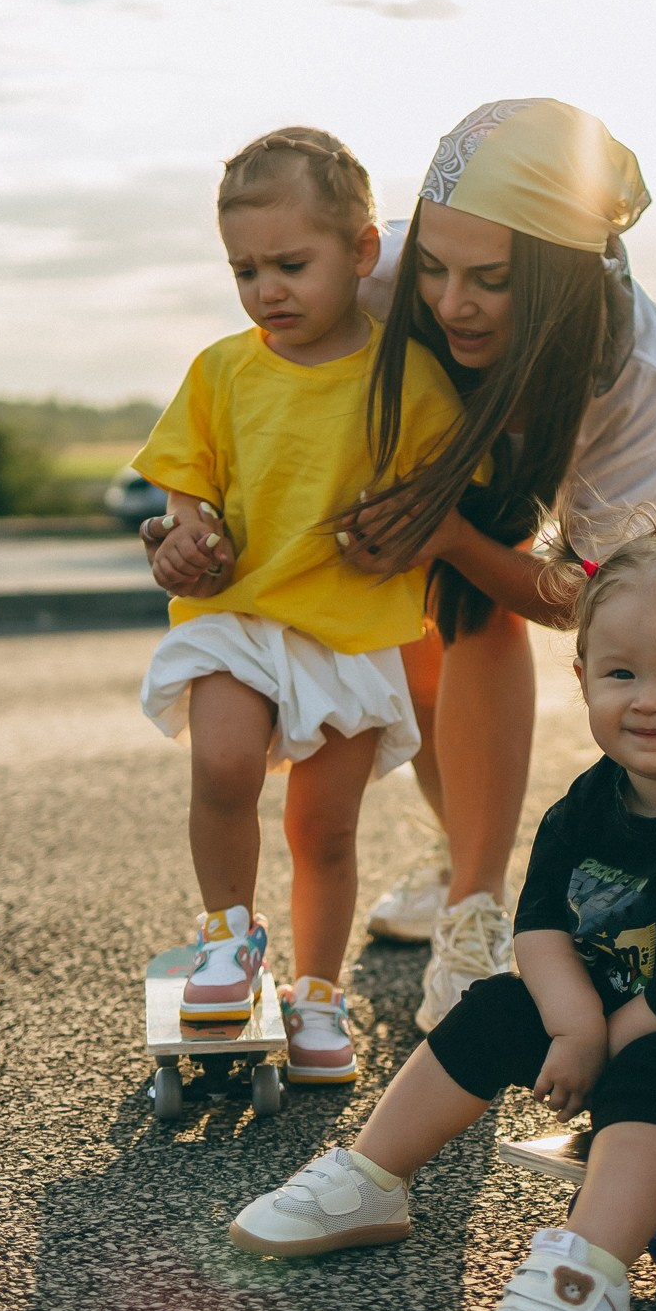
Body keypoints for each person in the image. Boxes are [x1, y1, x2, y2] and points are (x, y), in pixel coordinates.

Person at [225, 523, 656, 1311]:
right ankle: (373, 1178)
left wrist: (596, 1041)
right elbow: (537, 925)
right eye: (622, 674)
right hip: (616, 1025)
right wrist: (572, 1027)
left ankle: (586, 1278)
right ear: (581, 679)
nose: (648, 699)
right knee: (498, 1005)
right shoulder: (591, 799)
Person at [332, 99, 656, 1037]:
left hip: (484, 535)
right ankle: (464, 860)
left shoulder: (640, 383)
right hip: (400, 485)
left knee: (474, 609)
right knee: (413, 659)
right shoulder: (372, 269)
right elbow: (262, 361)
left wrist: (452, 537)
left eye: (489, 280)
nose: (452, 303)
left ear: (561, 279)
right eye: (436, 270)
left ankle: (479, 910)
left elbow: (590, 601)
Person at [133, 127, 460, 1085]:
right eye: (244, 270)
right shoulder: (223, 370)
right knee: (226, 765)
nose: (267, 290)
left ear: (361, 253)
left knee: (326, 828)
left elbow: (438, 494)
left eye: (290, 263)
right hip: (236, 616)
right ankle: (229, 941)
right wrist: (184, 530)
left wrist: (404, 520)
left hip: (349, 632)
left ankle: (317, 992)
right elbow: (182, 485)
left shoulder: (410, 381)